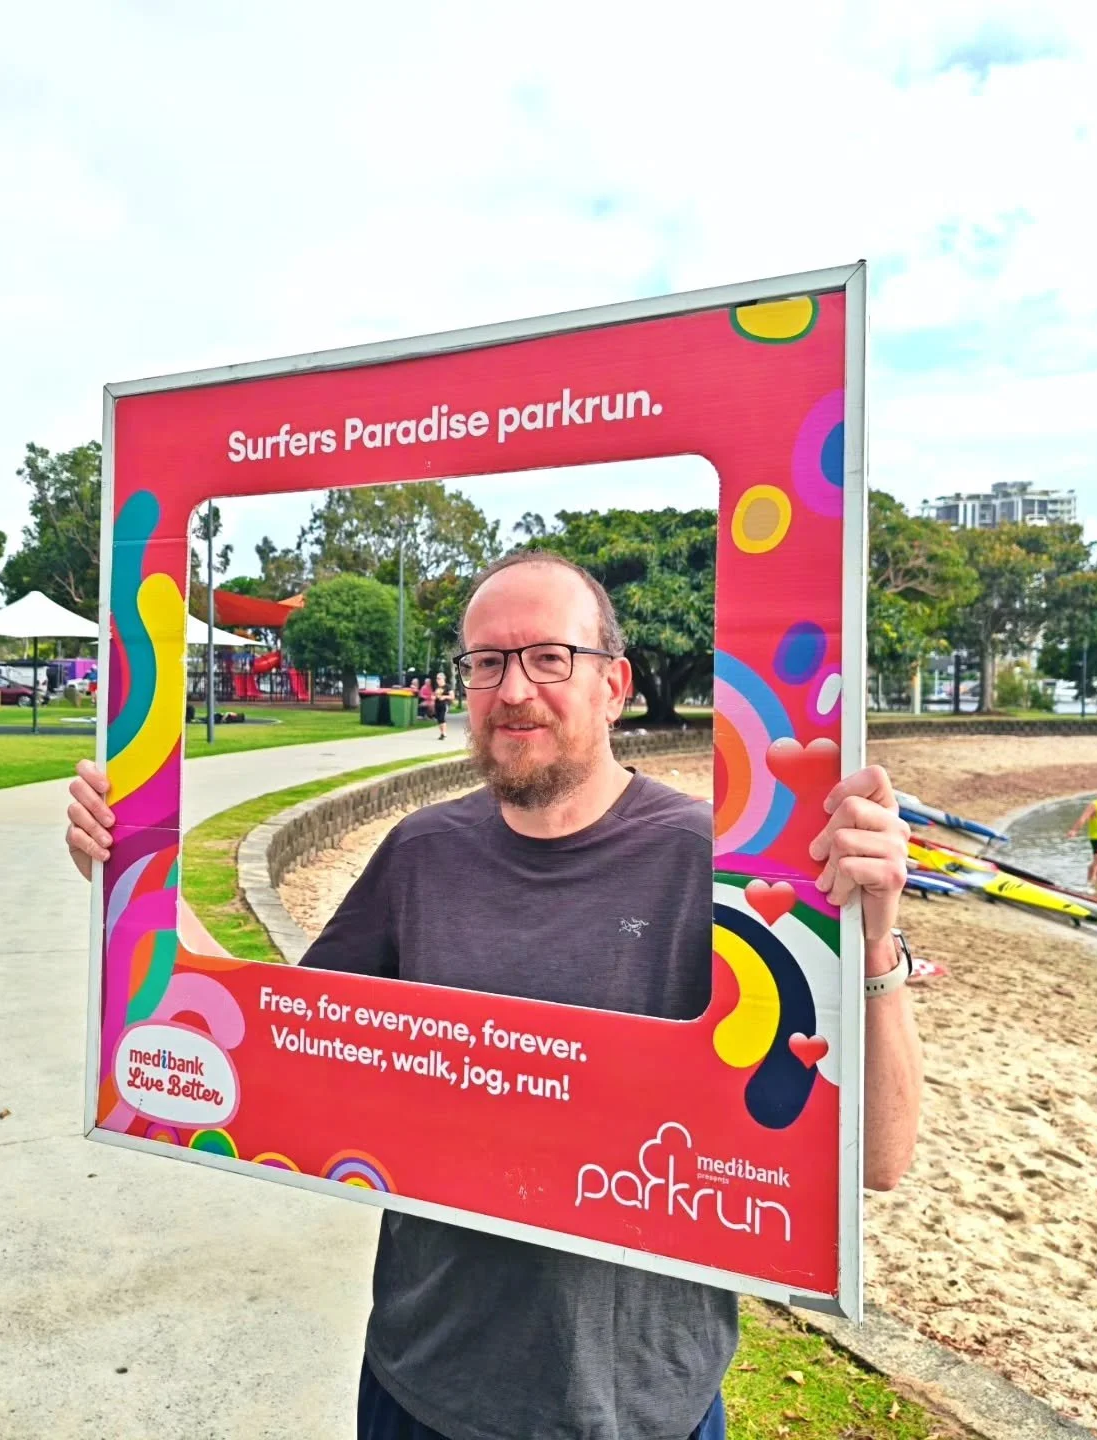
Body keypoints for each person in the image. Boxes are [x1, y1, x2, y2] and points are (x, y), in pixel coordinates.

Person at [64, 551, 923, 1440]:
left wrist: (873, 937)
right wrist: (131, 873)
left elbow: (880, 1158)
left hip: (638, 1407)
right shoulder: (422, 852)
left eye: (550, 657)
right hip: (422, 1383)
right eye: (485, 662)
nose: (514, 690)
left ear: (614, 685)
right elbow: (270, 1044)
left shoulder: (716, 871)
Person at [431, 669, 452, 740]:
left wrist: (444, 697)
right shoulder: (437, 687)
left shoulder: (448, 686)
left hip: (444, 704)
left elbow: (452, 696)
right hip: (437, 704)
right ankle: (442, 733)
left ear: (443, 679)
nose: (437, 680)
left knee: (442, 718)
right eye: (437, 678)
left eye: (439, 678)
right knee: (438, 720)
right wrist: (433, 697)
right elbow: (435, 695)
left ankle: (444, 733)